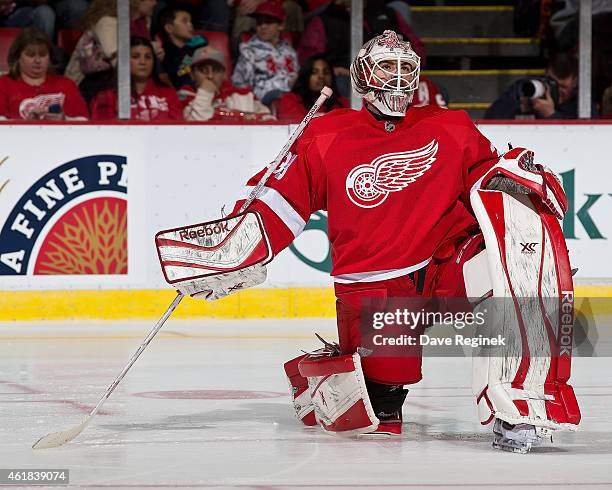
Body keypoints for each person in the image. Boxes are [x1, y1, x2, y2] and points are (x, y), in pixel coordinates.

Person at [164, 30, 581, 453]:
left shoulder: (451, 126)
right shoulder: (327, 134)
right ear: (364, 74)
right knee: (380, 414)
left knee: (524, 263)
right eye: (387, 67)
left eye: (405, 68)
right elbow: (278, 202)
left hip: (446, 268)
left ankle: (519, 406)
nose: (397, 79)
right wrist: (230, 251)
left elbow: (490, 187)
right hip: (377, 287)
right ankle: (322, 377)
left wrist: (524, 181)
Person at [0, 27, 88, 120]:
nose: (37, 60)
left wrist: (64, 120)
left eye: (43, 55)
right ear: (17, 57)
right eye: (31, 55)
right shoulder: (3, 85)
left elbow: (84, 122)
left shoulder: (66, 85)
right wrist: (26, 124)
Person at [64, 0, 141, 103]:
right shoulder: (106, 22)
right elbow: (113, 56)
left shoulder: (117, 22)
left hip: (98, 80)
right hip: (85, 83)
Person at [90, 36, 182, 120]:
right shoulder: (107, 95)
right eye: (135, 57)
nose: (143, 62)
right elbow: (104, 130)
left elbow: (178, 128)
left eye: (148, 57)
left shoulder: (168, 93)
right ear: (124, 61)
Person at [485, 51, 594, 119]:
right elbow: (491, 117)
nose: (556, 89)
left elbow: (586, 137)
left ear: (575, 82)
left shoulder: (582, 102)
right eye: (552, 82)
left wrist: (551, 115)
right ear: (546, 73)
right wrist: (519, 107)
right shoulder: (529, 87)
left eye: (563, 87)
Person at [232, 0, 299, 106]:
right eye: (259, 23)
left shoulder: (289, 51)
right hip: (262, 101)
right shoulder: (249, 51)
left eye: (268, 22)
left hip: (289, 99)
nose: (263, 26)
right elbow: (239, 83)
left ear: (281, 25)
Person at [181, 45, 272, 121]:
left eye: (216, 70)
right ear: (192, 74)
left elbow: (270, 121)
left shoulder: (243, 96)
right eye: (203, 70)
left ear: (224, 74)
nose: (210, 76)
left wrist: (255, 120)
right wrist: (205, 93)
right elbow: (195, 127)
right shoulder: (183, 99)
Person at [275, 55, 348, 121]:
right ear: (305, 76)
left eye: (326, 72)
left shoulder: (343, 102)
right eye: (314, 72)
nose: (321, 76)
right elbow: (295, 127)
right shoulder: (290, 99)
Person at [158, 4, 207, 90]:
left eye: (190, 21)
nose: (190, 25)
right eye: (185, 21)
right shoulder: (166, 54)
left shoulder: (199, 45)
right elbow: (177, 78)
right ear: (169, 28)